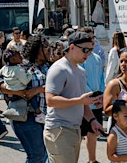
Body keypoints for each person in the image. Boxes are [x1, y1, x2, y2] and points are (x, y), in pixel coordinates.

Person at [44, 31, 104, 162]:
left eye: (91, 50)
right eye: (85, 50)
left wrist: (92, 120)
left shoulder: (80, 71)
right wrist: (79, 101)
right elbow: (50, 100)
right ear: (72, 47)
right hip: (59, 129)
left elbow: (83, 103)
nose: (88, 54)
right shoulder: (59, 69)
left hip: (74, 129)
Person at [0, 34, 50, 162]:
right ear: (37, 49)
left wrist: (37, 90)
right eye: (46, 47)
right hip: (26, 116)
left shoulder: (50, 66)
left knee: (44, 156)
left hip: (46, 116)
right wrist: (20, 92)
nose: (50, 50)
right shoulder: (22, 65)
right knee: (36, 155)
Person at [79, 27, 105, 163]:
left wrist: (101, 95)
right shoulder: (80, 59)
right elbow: (81, 81)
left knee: (93, 133)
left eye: (92, 38)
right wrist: (91, 96)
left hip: (97, 102)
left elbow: (102, 78)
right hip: (85, 102)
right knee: (79, 134)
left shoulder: (97, 58)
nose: (91, 41)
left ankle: (92, 159)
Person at [0, 48, 44, 123]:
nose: (21, 57)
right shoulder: (18, 69)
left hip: (10, 93)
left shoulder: (5, 68)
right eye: (19, 56)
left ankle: (10, 114)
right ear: (13, 60)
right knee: (32, 94)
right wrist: (30, 72)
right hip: (20, 91)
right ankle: (38, 113)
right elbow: (25, 81)